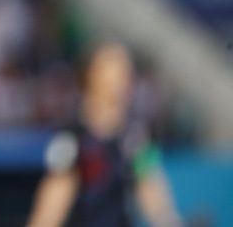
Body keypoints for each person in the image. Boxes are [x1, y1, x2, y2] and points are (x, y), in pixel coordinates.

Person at [27, 42, 183, 227]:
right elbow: (54, 197)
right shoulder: (71, 135)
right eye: (113, 71)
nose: (122, 79)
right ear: (92, 74)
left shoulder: (137, 134)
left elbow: (150, 185)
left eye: (125, 72)